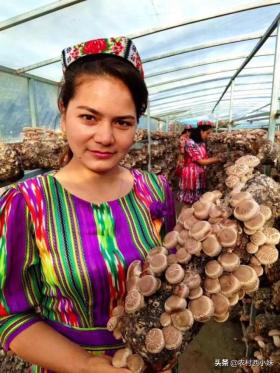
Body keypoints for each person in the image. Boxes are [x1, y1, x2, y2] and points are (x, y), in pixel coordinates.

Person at [0, 36, 175, 373]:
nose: (106, 137)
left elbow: (169, 274)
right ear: (64, 113)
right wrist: (85, 365)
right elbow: (7, 313)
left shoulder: (155, 190)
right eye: (89, 118)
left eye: (122, 122)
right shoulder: (26, 203)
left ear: (136, 125)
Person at [177, 120, 221, 205]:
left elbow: (205, 157)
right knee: (190, 202)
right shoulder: (190, 143)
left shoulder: (202, 143)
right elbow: (201, 161)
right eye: (207, 133)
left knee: (198, 202)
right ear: (201, 131)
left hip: (200, 174)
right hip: (191, 175)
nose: (208, 136)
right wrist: (218, 158)